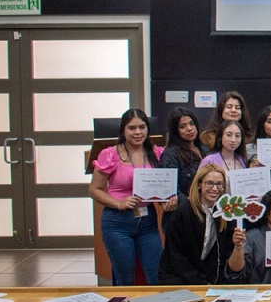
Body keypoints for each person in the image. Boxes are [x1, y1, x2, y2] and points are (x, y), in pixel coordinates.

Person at [89, 109, 167, 285]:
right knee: (125, 278)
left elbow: (164, 184)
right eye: (132, 128)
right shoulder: (110, 154)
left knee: (156, 276)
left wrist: (167, 199)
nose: (138, 132)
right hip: (118, 223)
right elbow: (94, 189)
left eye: (142, 127)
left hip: (148, 222)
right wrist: (119, 203)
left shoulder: (157, 153)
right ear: (123, 130)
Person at [159, 163, 238, 285]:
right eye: (209, 183)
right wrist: (199, 283)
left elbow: (223, 254)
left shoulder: (225, 212)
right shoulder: (184, 211)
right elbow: (176, 254)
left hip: (208, 276)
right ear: (200, 184)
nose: (215, 188)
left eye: (219, 184)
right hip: (179, 275)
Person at [158, 107, 205, 231]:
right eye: (182, 126)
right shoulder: (171, 154)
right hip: (182, 215)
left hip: (205, 212)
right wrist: (193, 206)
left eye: (191, 124)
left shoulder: (204, 150)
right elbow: (171, 188)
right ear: (175, 131)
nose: (189, 129)